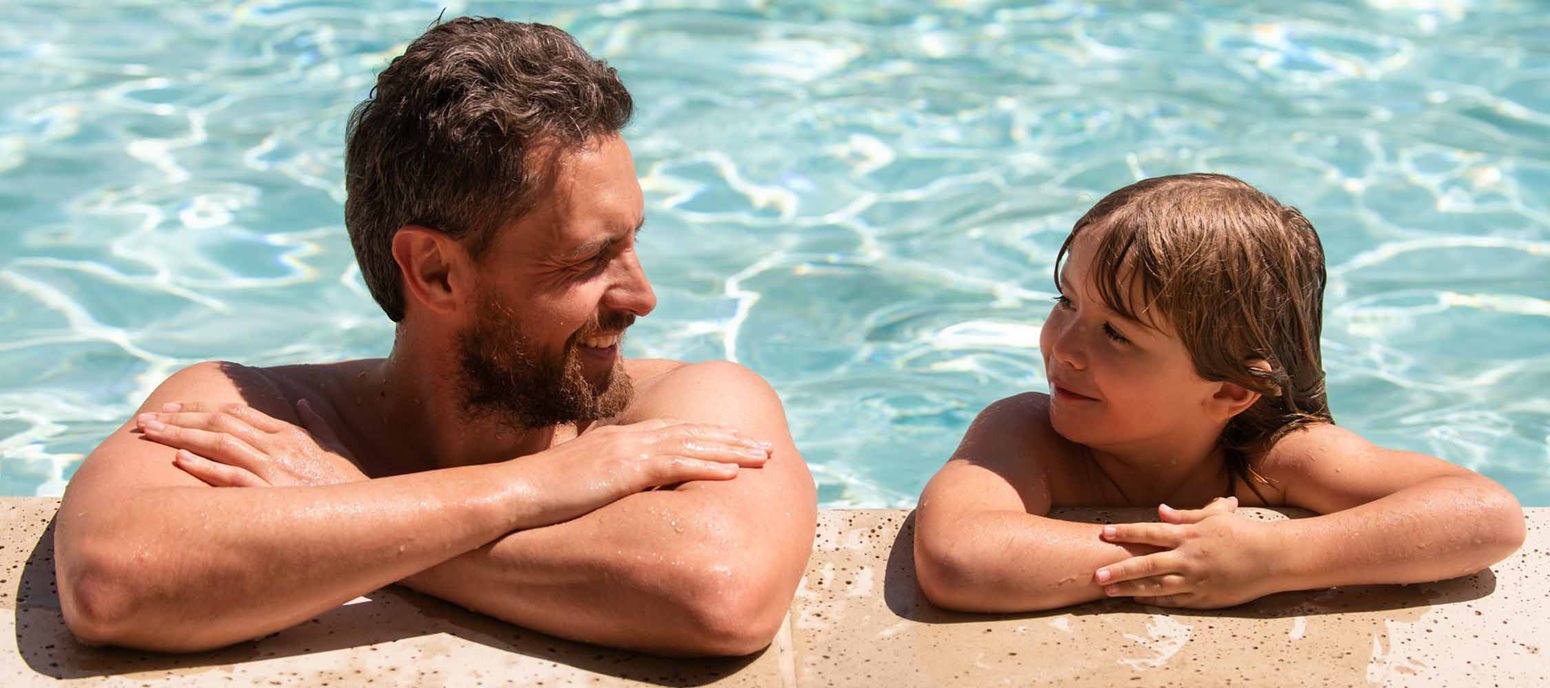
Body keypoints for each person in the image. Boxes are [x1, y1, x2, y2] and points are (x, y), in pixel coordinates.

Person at [54, 17, 817, 656]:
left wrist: (346, 509)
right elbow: (114, 580)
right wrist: (535, 490)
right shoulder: (251, 411)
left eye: (632, 243)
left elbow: (721, 594)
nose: (641, 296)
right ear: (436, 271)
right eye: (589, 259)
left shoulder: (687, 406)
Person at [912, 173, 1525, 612]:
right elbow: (960, 555)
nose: (1063, 347)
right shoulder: (1025, 433)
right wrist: (1187, 559)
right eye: (1066, 301)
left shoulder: (1272, 455)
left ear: (1233, 390)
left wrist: (1273, 557)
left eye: (1116, 335)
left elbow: (1486, 515)